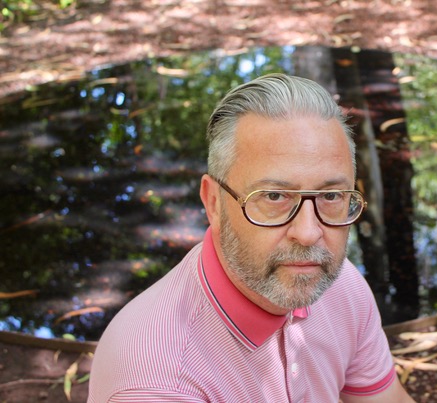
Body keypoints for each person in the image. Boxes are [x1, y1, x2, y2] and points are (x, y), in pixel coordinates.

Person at [88, 73, 414, 402]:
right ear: (213, 202)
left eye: (331, 196)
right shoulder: (160, 384)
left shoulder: (341, 286)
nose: (308, 234)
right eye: (273, 197)